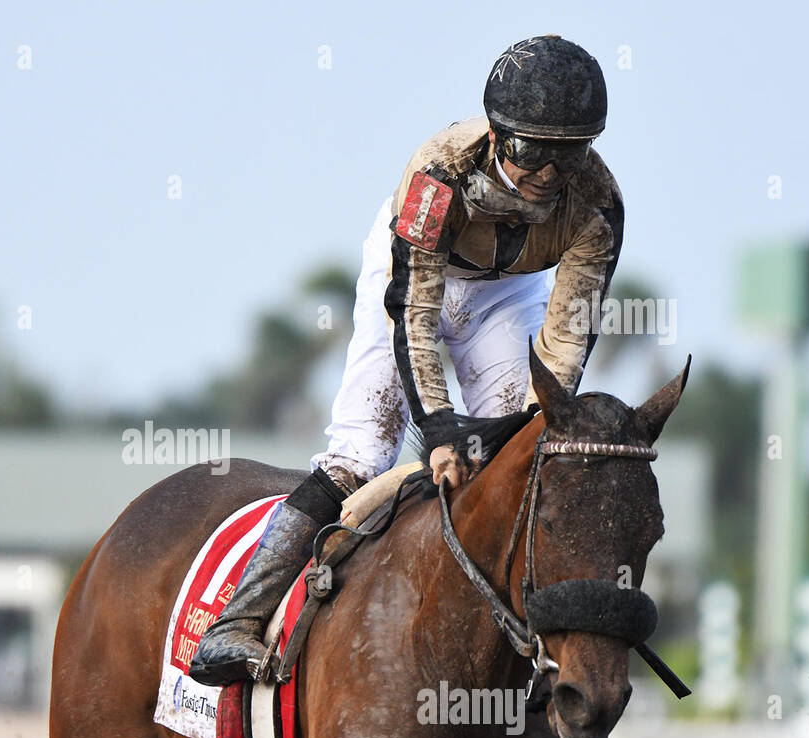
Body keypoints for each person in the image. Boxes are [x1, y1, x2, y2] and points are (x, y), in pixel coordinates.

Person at [190, 35, 624, 686]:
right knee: (362, 454)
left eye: (569, 152)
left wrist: (536, 428)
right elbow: (415, 314)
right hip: (415, 279)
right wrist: (443, 429)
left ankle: (539, 647)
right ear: (502, 137)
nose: (550, 173)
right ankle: (237, 618)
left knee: (531, 454)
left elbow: (565, 346)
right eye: (534, 150)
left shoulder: (598, 204)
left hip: (507, 295)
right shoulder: (441, 172)